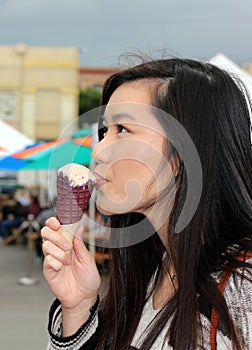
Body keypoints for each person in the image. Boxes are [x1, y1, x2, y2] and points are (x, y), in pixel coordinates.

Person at [41, 58, 252, 350]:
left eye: (123, 130)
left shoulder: (242, 292)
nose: (99, 151)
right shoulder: (152, 270)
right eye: (104, 132)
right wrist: (77, 308)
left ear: (184, 153)